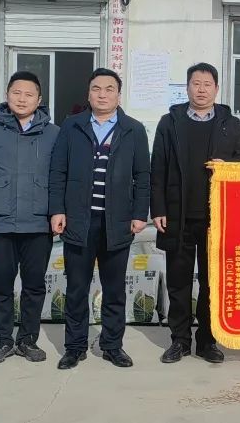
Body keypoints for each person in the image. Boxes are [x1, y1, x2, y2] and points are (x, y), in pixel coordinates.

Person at [151, 62, 240, 364]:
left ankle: (207, 341)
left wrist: (227, 166)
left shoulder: (229, 124)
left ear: (216, 89)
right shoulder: (169, 123)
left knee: (213, 282)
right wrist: (158, 208)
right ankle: (179, 341)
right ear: (187, 87)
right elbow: (157, 168)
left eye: (207, 84)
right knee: (178, 282)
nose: (201, 90)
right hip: (177, 215)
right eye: (196, 84)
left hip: (218, 218)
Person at [49, 68, 150, 370]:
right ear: (88, 93)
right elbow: (58, 171)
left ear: (118, 95)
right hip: (78, 221)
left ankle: (112, 346)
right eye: (96, 89)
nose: (102, 95)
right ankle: (74, 346)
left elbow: (143, 176)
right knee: (76, 288)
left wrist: (139, 214)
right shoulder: (72, 126)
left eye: (109, 89)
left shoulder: (133, 129)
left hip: (117, 222)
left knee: (114, 289)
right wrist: (57, 209)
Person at [0, 71, 59, 365]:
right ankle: (2, 341)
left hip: (38, 224)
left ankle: (28, 340)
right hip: (0, 223)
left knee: (34, 286)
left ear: (39, 100)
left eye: (29, 94)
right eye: (16, 93)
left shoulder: (54, 134)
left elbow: (61, 178)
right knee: (1, 285)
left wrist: (59, 213)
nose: (22, 99)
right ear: (7, 95)